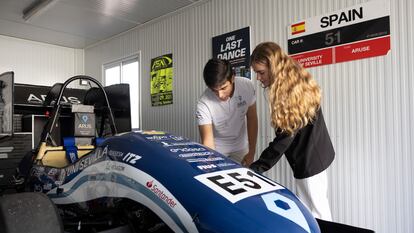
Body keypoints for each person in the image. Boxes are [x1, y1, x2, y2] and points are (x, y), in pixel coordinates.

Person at [249, 42, 335, 221]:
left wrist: (258, 167)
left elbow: (285, 137)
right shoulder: (295, 79)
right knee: (310, 209)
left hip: (311, 160)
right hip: (314, 155)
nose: (258, 78)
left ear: (274, 68)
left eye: (261, 72)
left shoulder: (288, 92)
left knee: (318, 215)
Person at [196, 58, 258, 166]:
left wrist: (251, 152)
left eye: (223, 88)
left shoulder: (247, 86)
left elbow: (252, 118)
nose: (220, 95)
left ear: (233, 78)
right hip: (217, 148)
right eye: (214, 90)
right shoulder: (203, 102)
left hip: (241, 146)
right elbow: (207, 140)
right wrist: (211, 162)